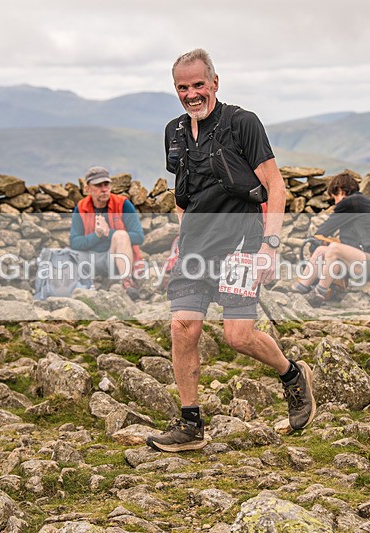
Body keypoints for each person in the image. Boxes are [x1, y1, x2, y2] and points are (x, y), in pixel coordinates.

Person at [146, 48, 315, 452]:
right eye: (183, 87)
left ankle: (292, 375)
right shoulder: (174, 132)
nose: (192, 94)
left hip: (243, 243)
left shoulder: (243, 124)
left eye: (199, 84)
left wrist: (270, 247)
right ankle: (190, 425)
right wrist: (178, 243)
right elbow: (185, 198)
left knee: (237, 336)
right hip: (194, 248)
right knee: (182, 327)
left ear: (215, 83)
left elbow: (276, 186)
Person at [292, 172, 370, 304]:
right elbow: (349, 243)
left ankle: (318, 294)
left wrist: (314, 242)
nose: (335, 202)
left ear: (340, 190)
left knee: (334, 249)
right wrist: (317, 247)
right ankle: (299, 289)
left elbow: (325, 229)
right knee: (321, 251)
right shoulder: (360, 206)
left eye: (334, 197)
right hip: (367, 261)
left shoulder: (352, 202)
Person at [69, 166, 144, 301]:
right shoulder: (81, 207)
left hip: (115, 259)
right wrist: (97, 235)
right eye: (98, 185)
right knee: (65, 254)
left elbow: (139, 236)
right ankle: (76, 288)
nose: (104, 189)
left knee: (120, 235)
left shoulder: (123, 204)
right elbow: (74, 242)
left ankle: (127, 283)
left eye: (106, 184)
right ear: (87, 189)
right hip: (90, 259)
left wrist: (108, 233)